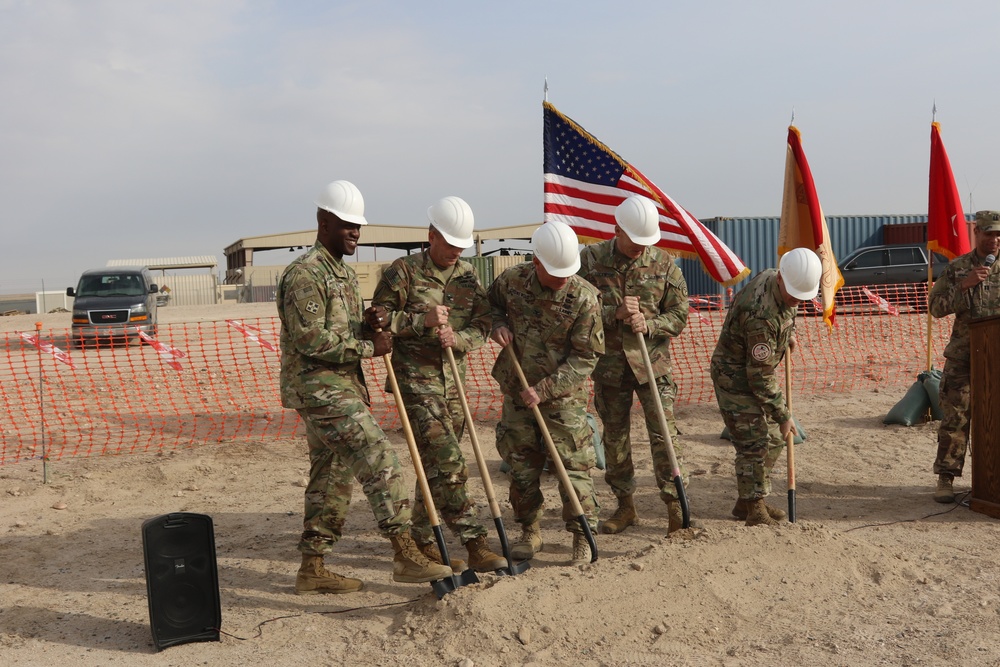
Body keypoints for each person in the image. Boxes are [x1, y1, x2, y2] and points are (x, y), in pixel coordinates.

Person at [276, 179, 452, 595]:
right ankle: (404, 551)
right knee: (377, 455)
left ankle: (312, 566)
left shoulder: (342, 273)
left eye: (359, 225)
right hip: (319, 388)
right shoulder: (305, 274)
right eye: (347, 224)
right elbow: (310, 339)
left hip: (343, 386)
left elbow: (343, 327)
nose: (356, 232)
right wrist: (368, 346)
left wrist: (369, 322)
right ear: (323, 223)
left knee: (332, 473)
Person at [365, 196, 507, 573]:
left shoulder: (467, 276)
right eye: (449, 244)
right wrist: (420, 322)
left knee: (433, 464)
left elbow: (482, 323)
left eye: (460, 246)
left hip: (453, 383)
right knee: (450, 461)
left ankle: (424, 540)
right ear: (431, 235)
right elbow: (377, 322)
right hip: (416, 381)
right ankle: (476, 542)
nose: (454, 252)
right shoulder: (403, 272)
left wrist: (459, 341)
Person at [488, 220, 605, 565]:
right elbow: (490, 305)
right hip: (517, 390)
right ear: (536, 262)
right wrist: (497, 325)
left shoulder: (584, 297)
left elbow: (586, 357)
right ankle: (530, 530)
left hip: (563, 398)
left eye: (568, 272)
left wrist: (545, 389)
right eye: (556, 273)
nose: (563, 279)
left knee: (574, 467)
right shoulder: (512, 281)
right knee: (521, 465)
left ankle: (582, 534)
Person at [579, 195, 692, 535]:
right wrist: (611, 314)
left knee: (665, 437)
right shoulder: (590, 260)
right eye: (634, 241)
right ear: (617, 231)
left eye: (646, 242)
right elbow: (573, 310)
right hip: (610, 369)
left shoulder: (664, 263)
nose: (641, 248)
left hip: (652, 367)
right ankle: (625, 506)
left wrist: (651, 325)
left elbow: (680, 313)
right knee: (615, 439)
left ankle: (675, 507)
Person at [710, 248, 821, 526]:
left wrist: (787, 334)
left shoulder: (778, 279)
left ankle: (745, 501)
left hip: (754, 371)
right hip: (734, 378)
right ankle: (755, 509)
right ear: (781, 277)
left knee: (774, 438)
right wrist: (783, 415)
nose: (797, 300)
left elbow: (786, 311)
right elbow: (759, 377)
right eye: (794, 294)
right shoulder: (760, 314)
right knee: (754, 442)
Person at [928, 210, 1000, 503]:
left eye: (999, 235)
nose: (994, 240)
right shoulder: (958, 268)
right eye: (989, 234)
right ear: (977, 234)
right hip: (964, 357)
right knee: (955, 418)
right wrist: (965, 285)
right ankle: (946, 477)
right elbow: (936, 307)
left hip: (997, 358)